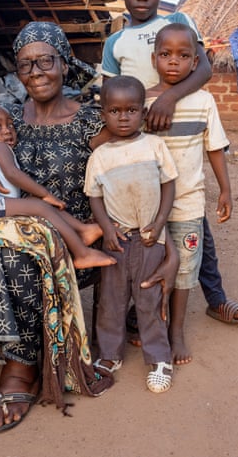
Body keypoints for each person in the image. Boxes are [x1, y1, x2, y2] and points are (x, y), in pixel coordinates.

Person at [0, 21, 177, 433]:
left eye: (45, 61)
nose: (35, 72)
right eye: (25, 64)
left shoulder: (95, 121)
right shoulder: (7, 118)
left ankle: (21, 370)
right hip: (10, 225)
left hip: (70, 237)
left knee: (17, 261)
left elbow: (141, 177)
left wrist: (168, 243)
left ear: (65, 64)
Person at [101, 0, 238, 325]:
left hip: (179, 133)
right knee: (145, 229)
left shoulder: (178, 21)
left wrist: (168, 98)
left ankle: (216, 298)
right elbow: (108, 96)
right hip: (141, 145)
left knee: (192, 224)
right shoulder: (115, 42)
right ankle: (144, 310)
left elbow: (203, 69)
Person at [85, 75, 178, 393]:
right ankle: (110, 354)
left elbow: (169, 185)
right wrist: (107, 229)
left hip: (150, 238)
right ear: (103, 114)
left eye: (131, 110)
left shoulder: (155, 146)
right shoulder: (99, 157)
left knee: (149, 299)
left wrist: (161, 221)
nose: (123, 117)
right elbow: (94, 197)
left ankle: (159, 358)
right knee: (111, 300)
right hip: (117, 240)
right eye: (114, 110)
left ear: (143, 111)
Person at [147, 23, 233, 364]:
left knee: (183, 268)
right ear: (154, 58)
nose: (173, 62)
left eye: (183, 56)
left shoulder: (204, 101)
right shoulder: (141, 100)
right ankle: (150, 322)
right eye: (166, 54)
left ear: (196, 62)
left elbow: (214, 148)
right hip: (149, 207)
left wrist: (225, 189)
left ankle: (176, 330)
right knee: (149, 265)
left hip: (188, 204)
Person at [0, 101, 115, 269]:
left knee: (37, 203)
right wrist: (44, 194)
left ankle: (82, 230)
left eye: (10, 124)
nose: (6, 130)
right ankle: (82, 254)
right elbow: (12, 174)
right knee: (40, 205)